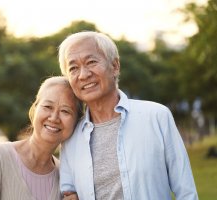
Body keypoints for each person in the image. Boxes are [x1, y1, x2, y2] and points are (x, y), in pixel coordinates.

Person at [58, 31, 198, 200]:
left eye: (91, 62)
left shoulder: (156, 116)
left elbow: (186, 192)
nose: (83, 74)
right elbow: (68, 193)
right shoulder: (70, 139)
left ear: (115, 66)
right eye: (73, 68)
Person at [0, 76, 82, 200]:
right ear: (34, 110)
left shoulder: (67, 181)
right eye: (47, 107)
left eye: (65, 111)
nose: (54, 118)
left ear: (76, 123)